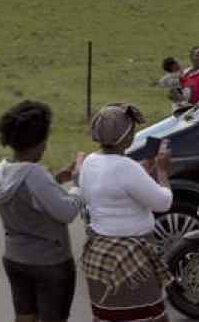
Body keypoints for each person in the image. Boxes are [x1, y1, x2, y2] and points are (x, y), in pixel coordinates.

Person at [0, 100, 84, 322]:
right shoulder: (35, 174)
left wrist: (58, 178)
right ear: (35, 143)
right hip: (49, 262)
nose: (45, 146)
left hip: (15, 258)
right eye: (44, 141)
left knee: (24, 317)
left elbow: (26, 194)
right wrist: (79, 184)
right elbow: (67, 212)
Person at [79, 103, 175, 322]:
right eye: (132, 130)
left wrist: (145, 169)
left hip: (99, 252)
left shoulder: (90, 162)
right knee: (141, 315)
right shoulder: (126, 167)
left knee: (110, 316)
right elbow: (163, 202)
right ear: (126, 137)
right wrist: (161, 171)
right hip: (130, 257)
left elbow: (113, 184)